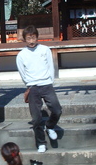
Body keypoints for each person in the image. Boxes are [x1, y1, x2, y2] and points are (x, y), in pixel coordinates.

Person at [16, 25, 62, 153]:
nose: (31, 41)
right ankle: (41, 143)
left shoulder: (45, 49)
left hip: (46, 84)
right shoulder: (21, 55)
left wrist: (50, 80)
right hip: (33, 86)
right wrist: (29, 83)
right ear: (25, 39)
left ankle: (50, 126)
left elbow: (50, 65)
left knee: (57, 109)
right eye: (28, 38)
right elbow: (22, 72)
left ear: (37, 37)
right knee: (36, 118)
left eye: (33, 37)